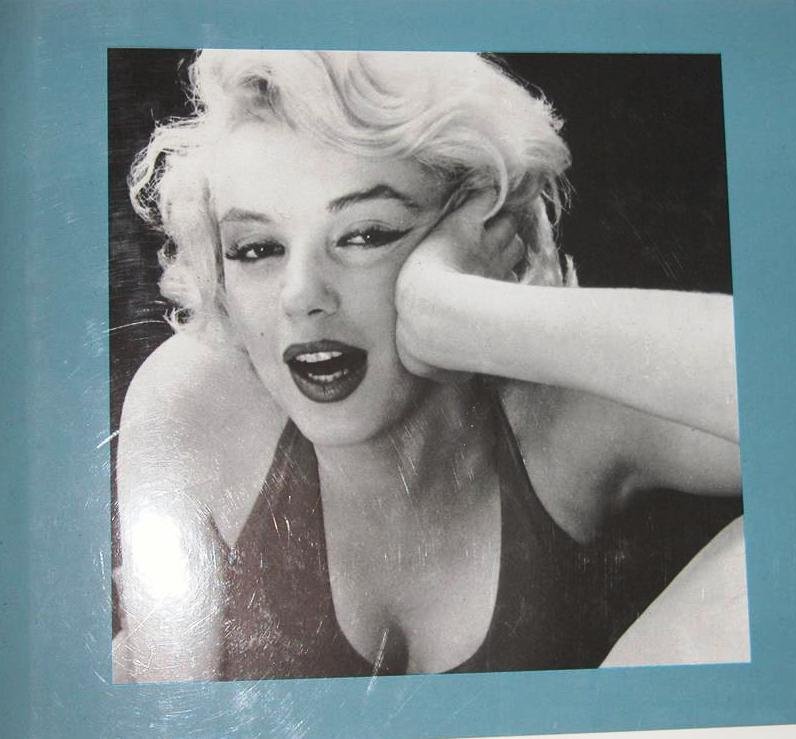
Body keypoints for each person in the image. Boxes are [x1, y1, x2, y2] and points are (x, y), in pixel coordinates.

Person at [112, 50, 745, 683]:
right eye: (257, 248)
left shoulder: (558, 421)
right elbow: (168, 715)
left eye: (366, 235)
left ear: (483, 232)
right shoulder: (198, 401)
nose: (301, 295)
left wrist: (454, 309)